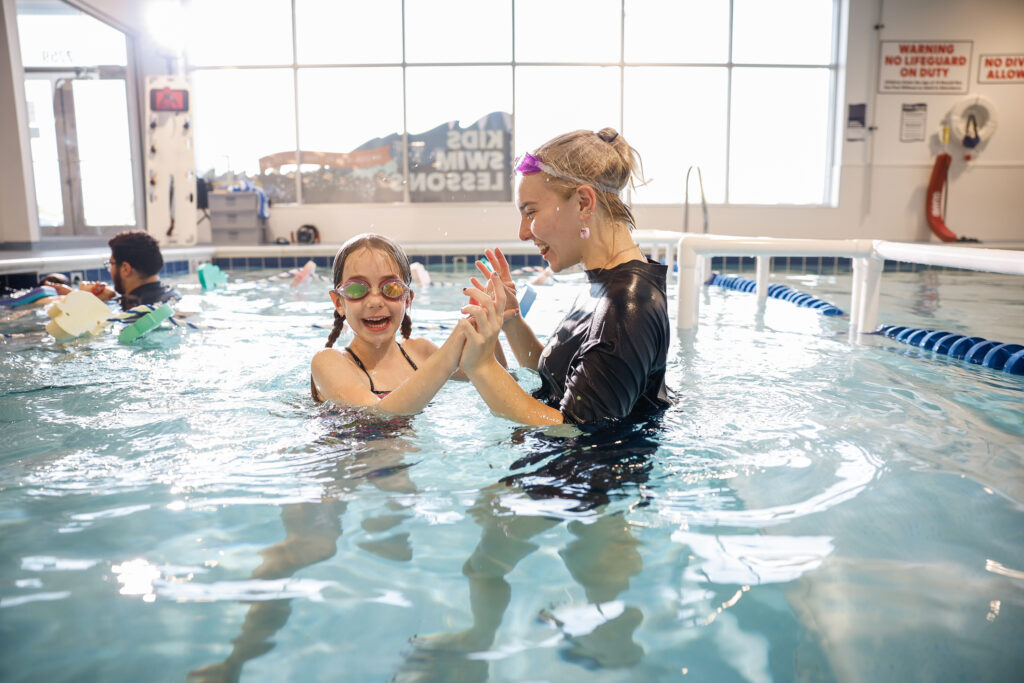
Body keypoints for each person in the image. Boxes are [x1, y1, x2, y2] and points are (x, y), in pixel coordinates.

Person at [457, 127, 671, 426]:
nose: (522, 233)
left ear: (584, 202)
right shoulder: (607, 284)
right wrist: (511, 321)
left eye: (530, 212)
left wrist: (481, 366)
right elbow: (564, 383)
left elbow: (575, 429)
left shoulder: (627, 305)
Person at [311, 233, 502, 414]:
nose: (375, 301)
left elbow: (494, 374)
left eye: (391, 288)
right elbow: (377, 415)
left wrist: (490, 319)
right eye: (357, 289)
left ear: (407, 299)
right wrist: (450, 351)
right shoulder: (329, 363)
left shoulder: (421, 351)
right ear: (338, 303)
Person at [82, 230, 180, 310]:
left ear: (125, 268)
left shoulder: (132, 307)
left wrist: (84, 298)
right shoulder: (172, 295)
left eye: (111, 264)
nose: (110, 270)